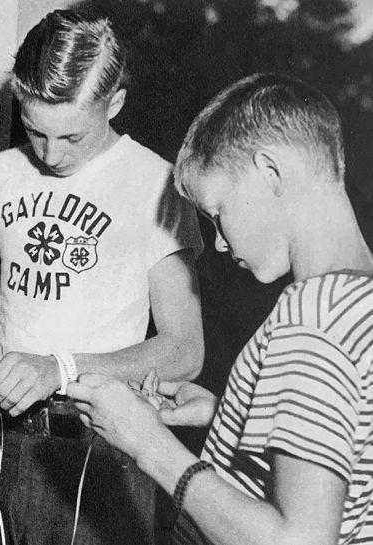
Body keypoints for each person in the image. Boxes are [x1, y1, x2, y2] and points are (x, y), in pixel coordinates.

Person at [0, 8, 204, 545]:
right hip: (8, 443)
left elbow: (186, 349)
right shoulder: (6, 171)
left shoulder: (157, 185)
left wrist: (61, 369)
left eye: (71, 137)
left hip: (108, 449)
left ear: (114, 102)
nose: (50, 155)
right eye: (35, 132)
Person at [68, 72, 373, 545]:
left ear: (271, 173)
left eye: (217, 213)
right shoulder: (355, 305)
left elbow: (302, 540)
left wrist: (147, 441)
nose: (219, 242)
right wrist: (230, 414)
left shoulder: (309, 324)